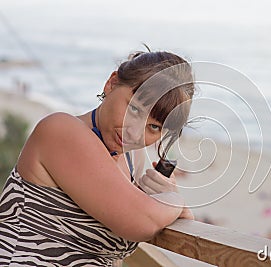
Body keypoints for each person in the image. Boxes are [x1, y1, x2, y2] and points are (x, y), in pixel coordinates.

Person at [0, 50, 195, 266]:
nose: (134, 132)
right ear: (111, 83)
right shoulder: (61, 131)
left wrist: (167, 200)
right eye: (134, 109)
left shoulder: (132, 157)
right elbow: (139, 221)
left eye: (153, 127)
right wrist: (175, 200)